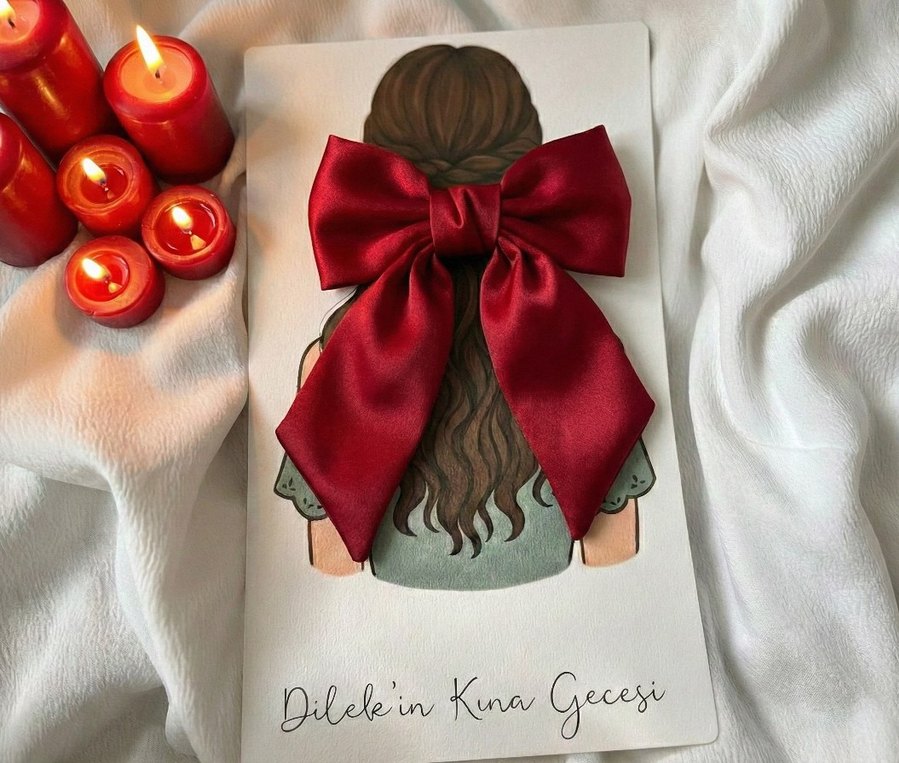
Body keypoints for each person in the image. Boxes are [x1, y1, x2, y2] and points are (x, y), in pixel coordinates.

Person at [275, 44, 655, 590]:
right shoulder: (577, 338)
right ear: (530, 154)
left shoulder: (333, 356)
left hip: (391, 635)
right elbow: (614, 553)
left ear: (382, 159)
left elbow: (332, 567)